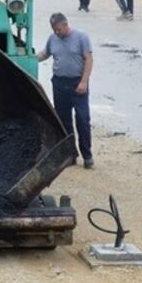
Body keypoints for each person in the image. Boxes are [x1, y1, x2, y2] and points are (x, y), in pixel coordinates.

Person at [37, 13, 94, 169]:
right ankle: (70, 154)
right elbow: (45, 54)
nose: (57, 32)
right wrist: (30, 59)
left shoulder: (81, 37)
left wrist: (84, 82)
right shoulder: (52, 39)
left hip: (77, 83)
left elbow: (88, 59)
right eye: (54, 30)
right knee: (63, 120)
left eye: (59, 29)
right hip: (59, 83)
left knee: (82, 119)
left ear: (65, 24)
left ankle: (87, 155)